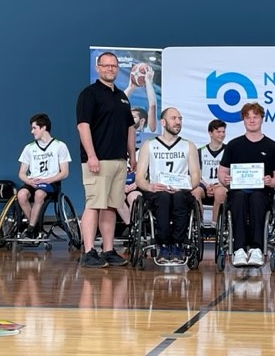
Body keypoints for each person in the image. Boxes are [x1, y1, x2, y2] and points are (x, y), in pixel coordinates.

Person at [77, 51, 136, 268]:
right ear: (98, 67)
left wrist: (132, 156)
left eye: (114, 66)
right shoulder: (89, 94)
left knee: (111, 206)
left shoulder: (121, 96)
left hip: (119, 161)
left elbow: (130, 127)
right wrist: (92, 155)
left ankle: (108, 250)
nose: (110, 69)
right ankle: (89, 251)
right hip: (98, 161)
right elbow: (83, 126)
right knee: (94, 204)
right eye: (106, 66)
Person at [218, 102, 275, 267]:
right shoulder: (234, 145)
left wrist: (272, 181)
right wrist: (224, 179)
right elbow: (222, 171)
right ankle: (239, 249)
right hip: (238, 191)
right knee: (239, 198)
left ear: (262, 119)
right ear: (243, 120)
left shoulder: (272, 146)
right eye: (248, 117)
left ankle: (257, 248)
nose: (252, 120)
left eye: (255, 117)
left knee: (256, 198)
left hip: (262, 192)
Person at [136, 107, 201, 263]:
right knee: (163, 198)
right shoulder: (149, 145)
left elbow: (196, 176)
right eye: (174, 118)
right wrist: (150, 186)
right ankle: (163, 245)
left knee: (179, 198)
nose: (178, 122)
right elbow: (139, 178)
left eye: (180, 119)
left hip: (180, 190)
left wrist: (185, 186)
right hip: (157, 192)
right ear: (163, 122)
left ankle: (178, 245)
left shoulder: (188, 145)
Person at [16, 113, 71, 239]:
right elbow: (21, 173)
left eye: (34, 128)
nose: (32, 131)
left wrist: (46, 180)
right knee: (21, 195)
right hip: (33, 182)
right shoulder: (29, 148)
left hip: (51, 182)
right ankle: (35, 226)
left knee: (39, 194)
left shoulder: (60, 146)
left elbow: (64, 173)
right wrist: (29, 182)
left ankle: (30, 229)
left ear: (43, 128)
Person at [192, 119, 228, 236]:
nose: (221, 135)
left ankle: (214, 225)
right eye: (218, 132)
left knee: (220, 192)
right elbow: (197, 173)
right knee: (195, 192)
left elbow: (231, 173)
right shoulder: (200, 151)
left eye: (223, 132)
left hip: (221, 185)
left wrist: (219, 184)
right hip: (204, 185)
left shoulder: (228, 151)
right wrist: (207, 186)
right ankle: (200, 224)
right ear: (210, 133)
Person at [125, 63, 157, 147]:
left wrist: (148, 82)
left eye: (134, 117)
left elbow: (152, 105)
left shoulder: (150, 130)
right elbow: (118, 105)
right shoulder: (124, 129)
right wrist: (130, 87)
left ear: (142, 121)